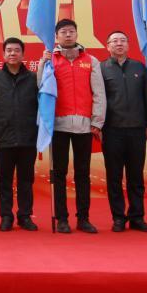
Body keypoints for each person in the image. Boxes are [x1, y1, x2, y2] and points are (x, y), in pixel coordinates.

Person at [41, 18, 106, 234]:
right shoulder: (51, 60)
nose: (68, 35)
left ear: (77, 34)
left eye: (71, 31)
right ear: (56, 36)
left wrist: (97, 121)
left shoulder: (91, 60)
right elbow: (41, 88)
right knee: (59, 173)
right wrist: (42, 64)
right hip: (58, 125)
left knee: (82, 173)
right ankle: (62, 218)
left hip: (84, 126)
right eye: (63, 32)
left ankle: (83, 218)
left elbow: (99, 93)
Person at [99, 30, 147, 233]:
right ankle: (118, 217)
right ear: (108, 46)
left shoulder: (139, 67)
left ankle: (137, 217)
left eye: (123, 40)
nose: (119, 44)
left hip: (136, 130)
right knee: (114, 177)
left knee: (136, 177)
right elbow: (97, 99)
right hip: (111, 131)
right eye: (114, 41)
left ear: (128, 45)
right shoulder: (101, 69)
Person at [0, 37, 40, 231]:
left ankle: (25, 216)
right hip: (3, 138)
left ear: (23, 54)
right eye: (9, 50)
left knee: (26, 180)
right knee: (4, 180)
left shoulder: (34, 79)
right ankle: (6, 216)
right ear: (3, 54)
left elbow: (41, 108)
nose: (13, 53)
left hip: (28, 138)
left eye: (16, 50)